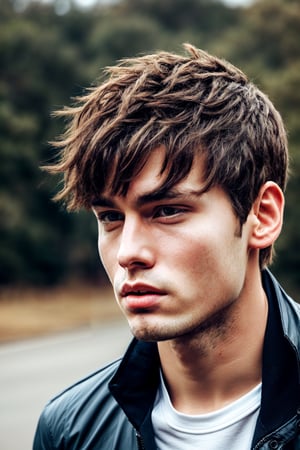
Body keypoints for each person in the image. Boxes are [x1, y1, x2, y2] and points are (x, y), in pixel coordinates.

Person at [33, 44, 300, 450]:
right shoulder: (69, 431)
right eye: (110, 217)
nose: (128, 253)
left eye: (167, 211)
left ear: (261, 217)